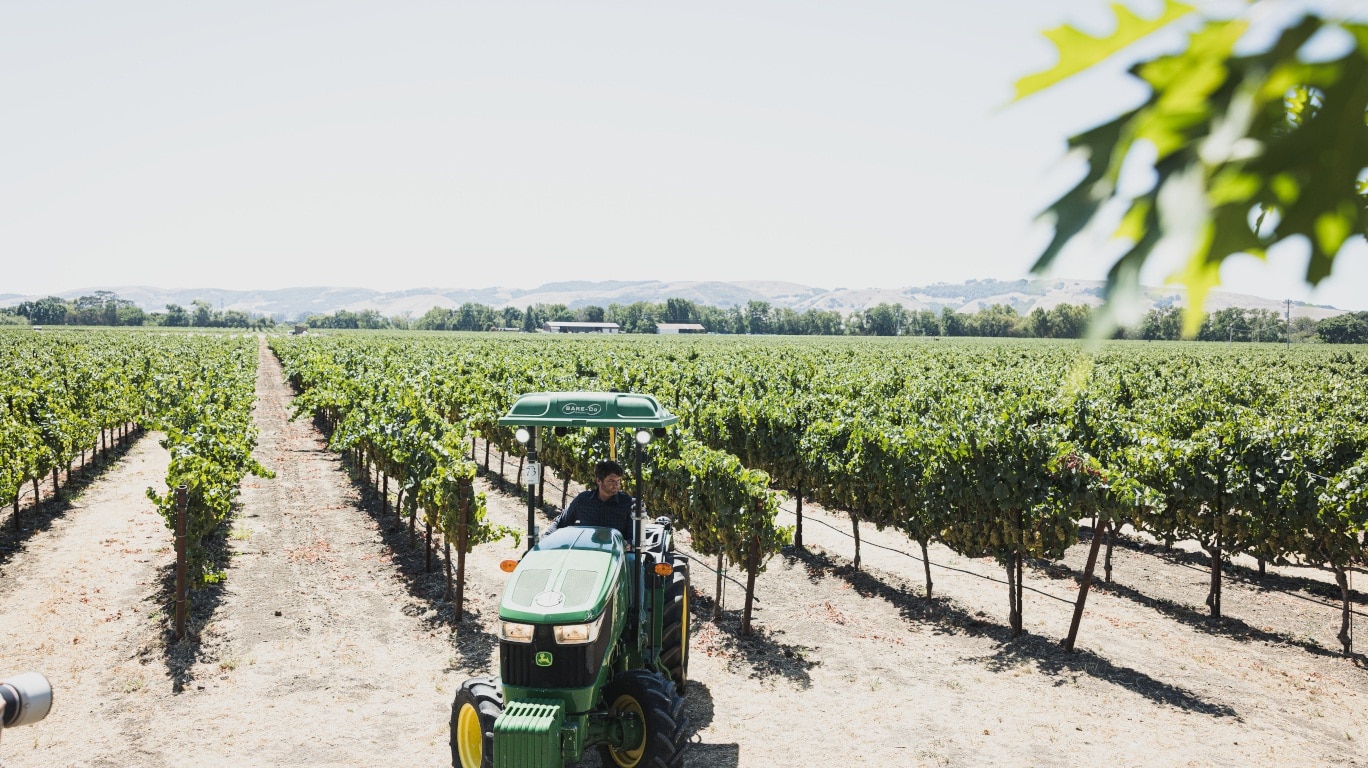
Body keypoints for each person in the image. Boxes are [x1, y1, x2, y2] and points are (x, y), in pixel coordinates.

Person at [545, 460, 635, 544]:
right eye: (611, 481)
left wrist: (629, 543)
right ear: (599, 481)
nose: (616, 485)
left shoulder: (627, 504)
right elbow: (560, 522)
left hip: (616, 557)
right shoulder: (582, 501)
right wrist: (545, 539)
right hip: (586, 554)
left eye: (618, 481)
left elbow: (634, 537)